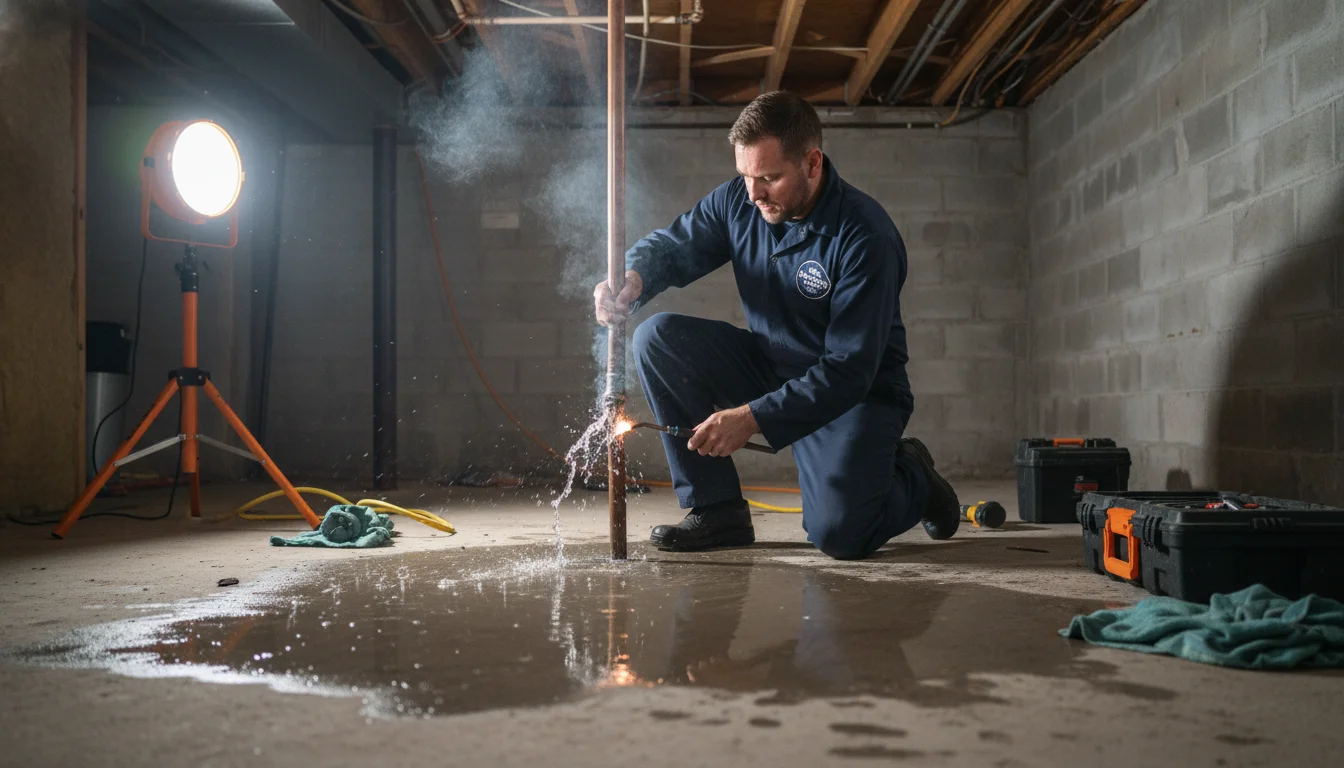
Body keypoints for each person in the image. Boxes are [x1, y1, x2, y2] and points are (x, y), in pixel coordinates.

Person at [594, 91, 960, 560]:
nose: (753, 194)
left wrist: (752, 418)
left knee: (841, 535)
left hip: (854, 396)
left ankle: (914, 476)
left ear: (812, 163)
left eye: (769, 177)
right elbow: (675, 245)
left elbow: (850, 368)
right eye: (746, 176)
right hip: (772, 366)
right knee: (657, 338)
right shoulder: (740, 201)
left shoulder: (865, 237)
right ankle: (716, 510)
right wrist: (632, 276)